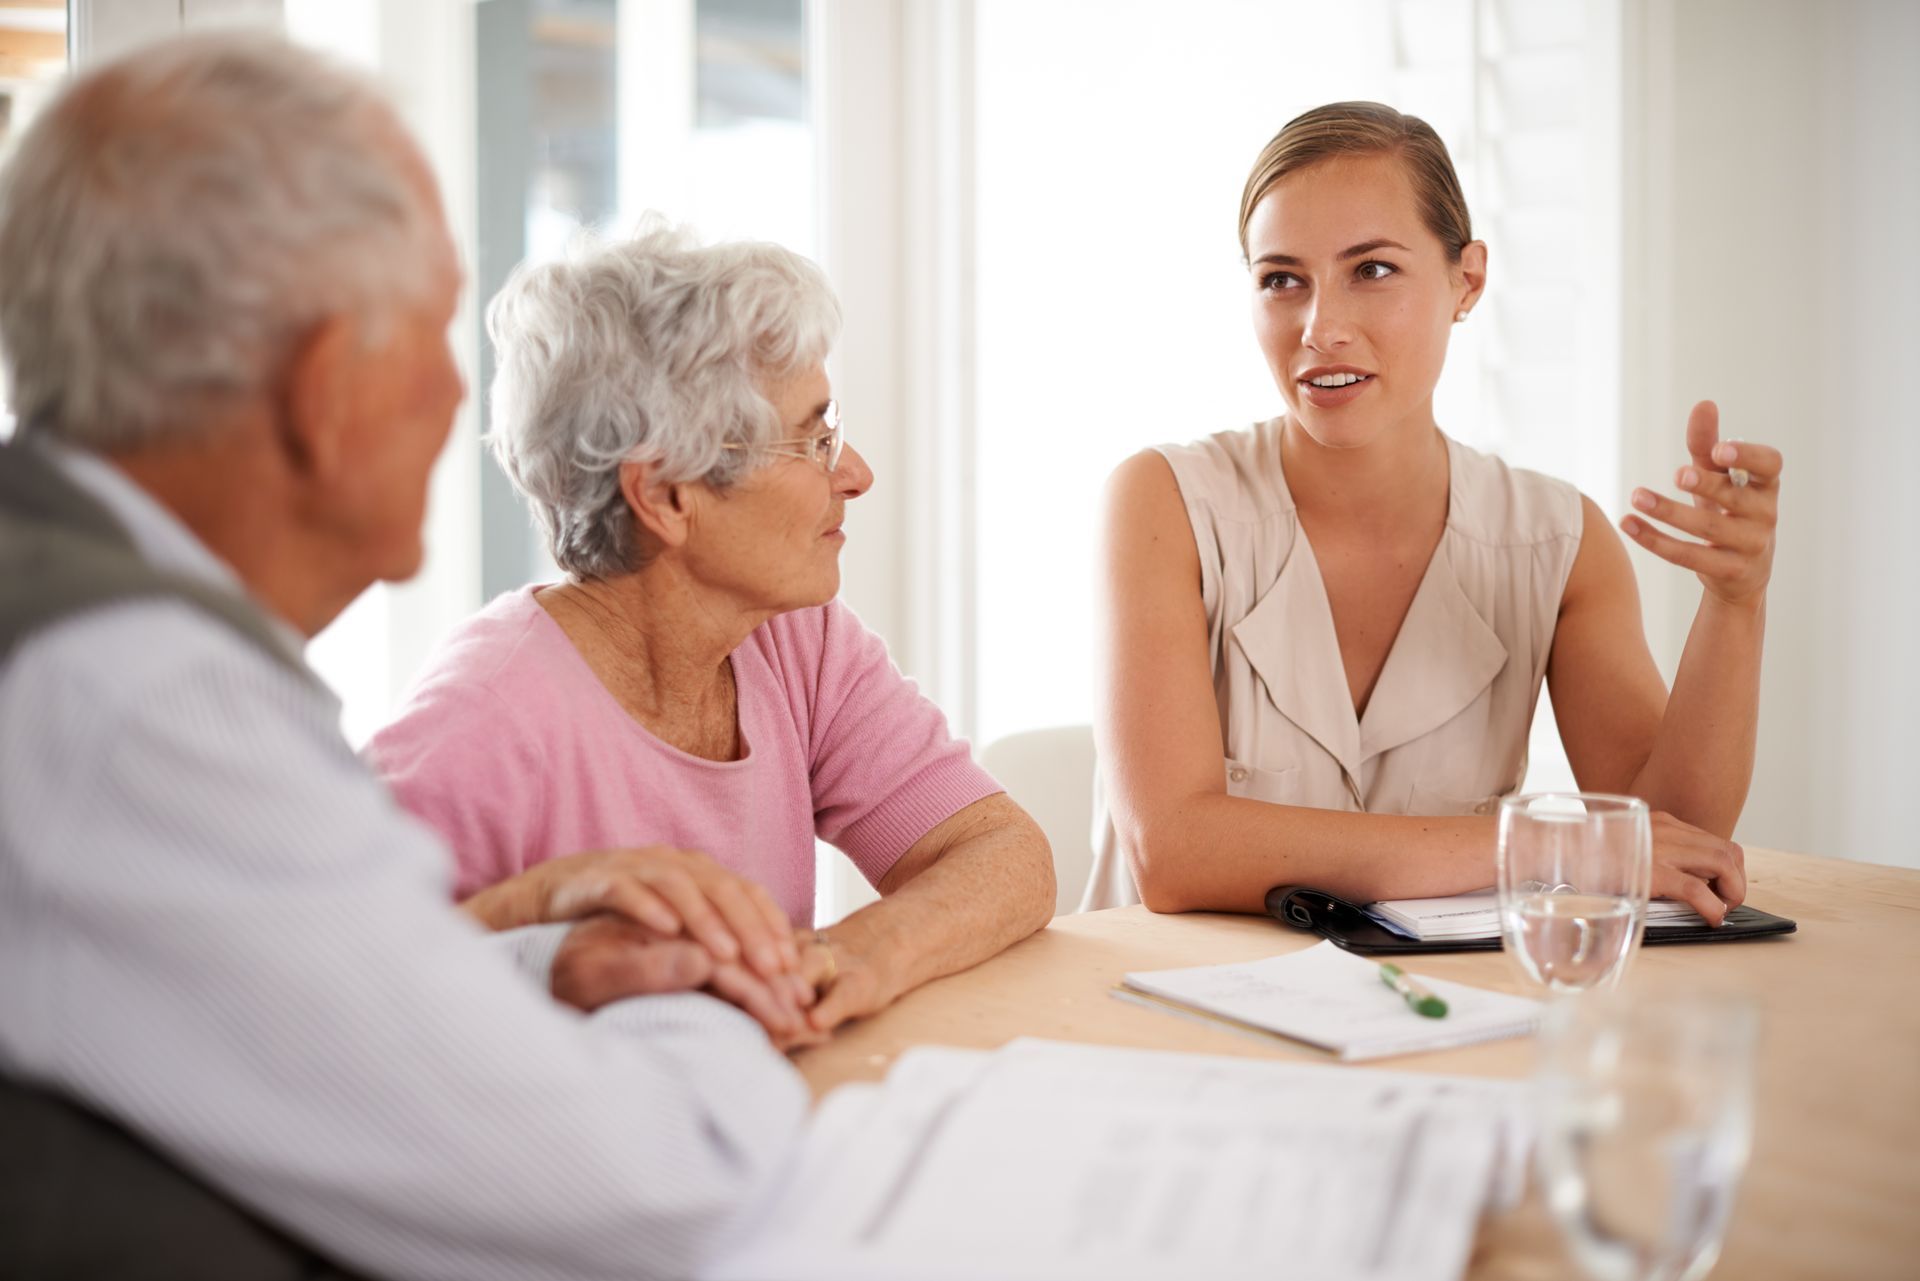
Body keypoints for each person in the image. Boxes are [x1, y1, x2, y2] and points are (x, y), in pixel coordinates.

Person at [0, 34, 819, 1281]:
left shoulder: (74, 624)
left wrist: (542, 953)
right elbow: (662, 1186)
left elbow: (265, 1009)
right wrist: (698, 997)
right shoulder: (138, 700)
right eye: (441, 327)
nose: (459, 400)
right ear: (328, 389)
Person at [1088, 101, 1778, 922]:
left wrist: (1736, 604)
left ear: (1467, 280)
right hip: (1157, 1026)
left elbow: (1673, 848)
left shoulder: (1556, 542)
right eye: (1282, 280)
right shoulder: (1162, 502)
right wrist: (1535, 847)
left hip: (1435, 1029)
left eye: (1371, 269)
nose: (1320, 328)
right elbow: (1173, 853)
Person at [367, 224, 1056, 1044]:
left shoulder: (797, 639)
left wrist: (845, 958)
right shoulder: (480, 724)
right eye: (812, 438)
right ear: (665, 496)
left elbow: (1003, 853)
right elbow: (337, 1006)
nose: (856, 473)